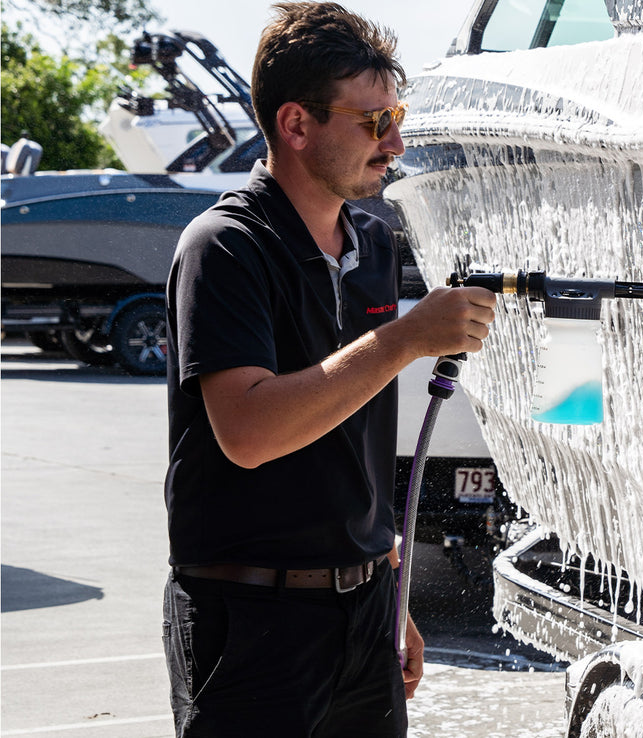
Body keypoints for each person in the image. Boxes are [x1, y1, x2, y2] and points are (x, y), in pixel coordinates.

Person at [161, 3, 496, 735]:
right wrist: (404, 339)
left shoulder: (372, 247)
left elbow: (355, 447)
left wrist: (391, 589)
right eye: (374, 122)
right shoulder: (225, 246)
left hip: (366, 608)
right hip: (251, 620)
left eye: (396, 117)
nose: (395, 142)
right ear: (295, 124)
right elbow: (248, 431)